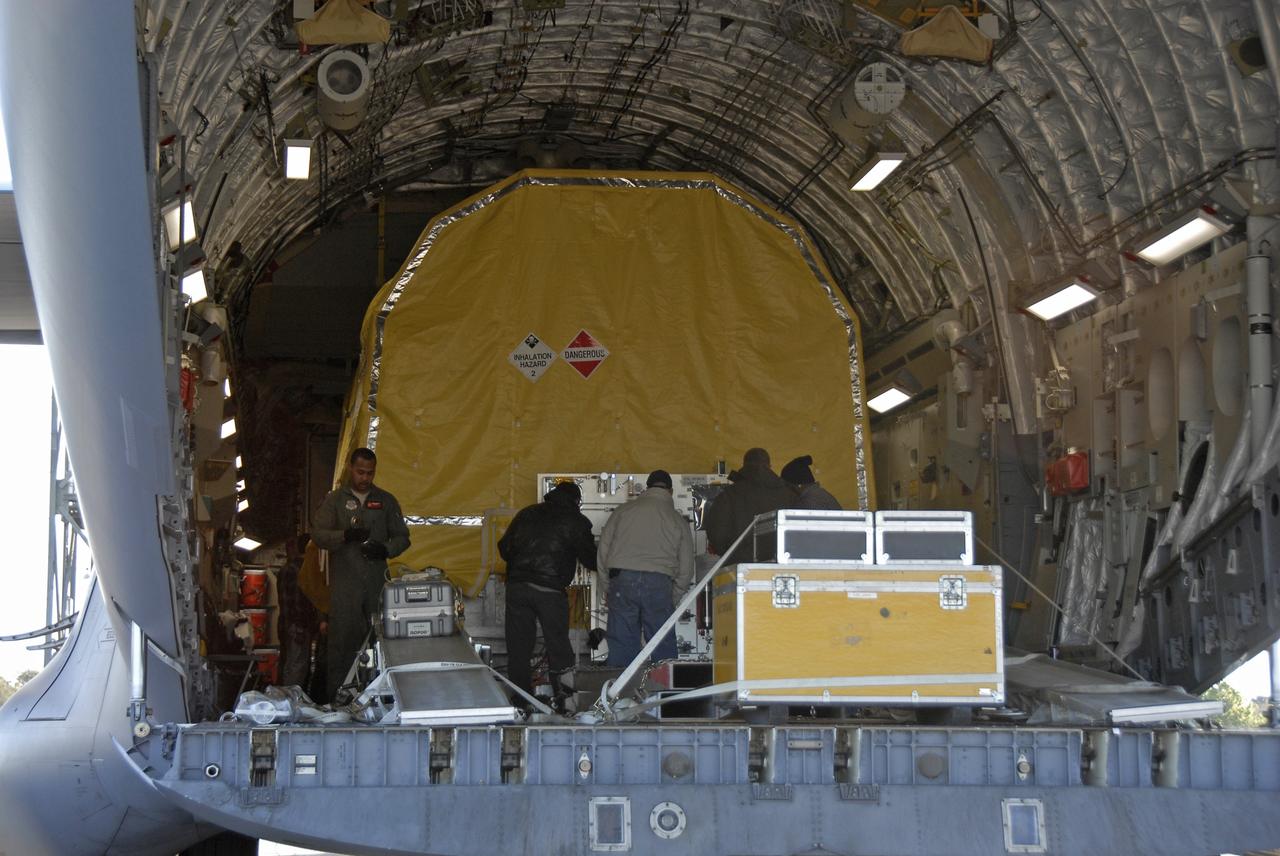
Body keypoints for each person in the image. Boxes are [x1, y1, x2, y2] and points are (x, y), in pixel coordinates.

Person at [311, 448, 410, 701]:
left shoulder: (386, 501)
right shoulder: (335, 500)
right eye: (360, 472)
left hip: (376, 583)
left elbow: (403, 537)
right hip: (345, 585)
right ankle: (338, 701)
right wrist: (344, 535)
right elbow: (318, 534)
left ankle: (382, 699)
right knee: (342, 644)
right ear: (350, 469)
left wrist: (385, 549)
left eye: (370, 473)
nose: (365, 478)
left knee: (382, 641)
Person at [498, 481, 597, 706]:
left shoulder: (527, 513)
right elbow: (591, 559)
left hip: (517, 587)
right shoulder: (576, 521)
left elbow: (504, 548)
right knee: (557, 645)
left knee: (519, 647)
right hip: (549, 590)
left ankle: (521, 700)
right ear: (576, 501)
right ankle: (563, 699)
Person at [597, 470, 695, 666]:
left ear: (647, 488)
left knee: (622, 642)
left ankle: (621, 684)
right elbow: (686, 567)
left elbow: (603, 551)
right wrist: (673, 596)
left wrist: (607, 587)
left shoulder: (623, 511)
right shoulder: (677, 519)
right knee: (662, 643)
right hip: (659, 582)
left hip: (622, 580)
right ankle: (662, 683)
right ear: (671, 491)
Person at [704, 447, 794, 564]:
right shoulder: (788, 494)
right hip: (779, 565)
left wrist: (729, 554)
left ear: (744, 465)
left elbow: (717, 534)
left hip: (739, 564)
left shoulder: (730, 494)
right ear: (769, 466)